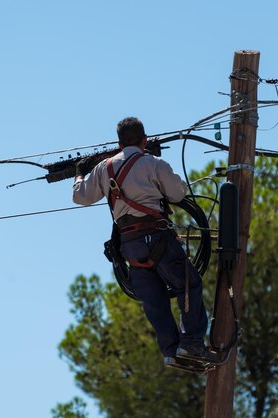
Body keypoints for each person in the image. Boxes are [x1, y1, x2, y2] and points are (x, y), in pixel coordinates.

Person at [72, 117, 217, 368]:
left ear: (119, 143)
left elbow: (80, 196)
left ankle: (172, 351)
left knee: (154, 301)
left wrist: (79, 173)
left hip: (129, 246)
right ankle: (191, 343)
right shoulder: (153, 163)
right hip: (156, 237)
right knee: (188, 284)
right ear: (144, 140)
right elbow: (179, 193)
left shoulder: (103, 168)